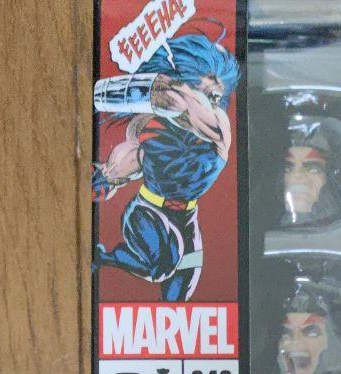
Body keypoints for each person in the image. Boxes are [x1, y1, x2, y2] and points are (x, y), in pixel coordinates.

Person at [92, 33, 240, 300]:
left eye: (213, 96)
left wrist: (179, 90)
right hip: (148, 210)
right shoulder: (148, 123)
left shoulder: (218, 125)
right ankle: (106, 258)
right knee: (163, 263)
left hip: (187, 216)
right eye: (201, 91)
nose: (207, 101)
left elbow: (206, 120)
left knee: (181, 290)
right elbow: (133, 159)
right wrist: (109, 177)